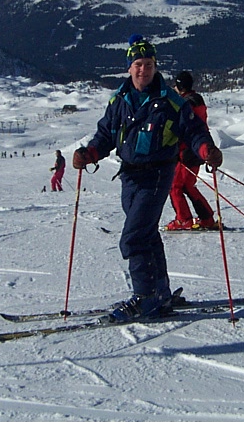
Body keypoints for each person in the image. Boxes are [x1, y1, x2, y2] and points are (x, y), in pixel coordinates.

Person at [72, 34, 223, 322]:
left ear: (155, 66)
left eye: (149, 64)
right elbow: (105, 135)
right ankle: (160, 292)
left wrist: (207, 150)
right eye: (138, 64)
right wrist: (89, 153)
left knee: (134, 237)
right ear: (129, 67)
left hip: (158, 174)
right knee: (147, 233)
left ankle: (145, 297)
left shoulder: (171, 102)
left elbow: (194, 132)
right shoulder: (120, 100)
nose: (144, 70)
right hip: (129, 175)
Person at [166, 71, 217, 231]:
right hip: (199, 148)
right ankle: (207, 218)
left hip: (186, 150)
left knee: (175, 186)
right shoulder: (197, 100)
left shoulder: (185, 104)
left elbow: (183, 128)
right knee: (188, 185)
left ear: (180, 86)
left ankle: (183, 220)